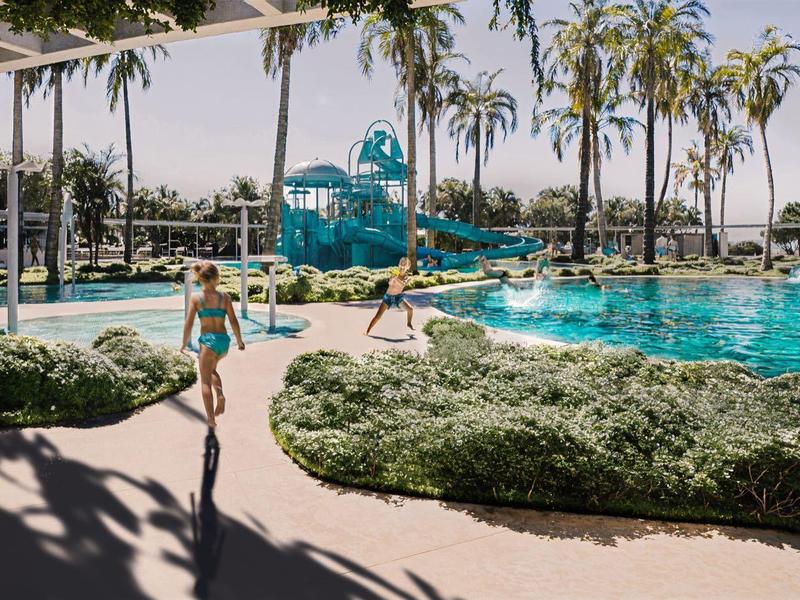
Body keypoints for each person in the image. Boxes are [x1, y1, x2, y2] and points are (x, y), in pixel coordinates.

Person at [181, 260, 245, 428]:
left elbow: (188, 323)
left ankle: (210, 418)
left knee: (204, 380)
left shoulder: (197, 299)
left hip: (208, 342)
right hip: (223, 342)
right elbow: (233, 321)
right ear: (216, 278)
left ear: (200, 279)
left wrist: (183, 344)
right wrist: (239, 341)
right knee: (211, 370)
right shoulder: (225, 298)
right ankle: (220, 394)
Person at [366, 257, 414, 335]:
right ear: (398, 265)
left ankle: (409, 323)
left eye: (405, 265)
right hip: (388, 297)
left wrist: (396, 279)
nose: (402, 266)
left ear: (408, 267)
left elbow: (402, 285)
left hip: (398, 297)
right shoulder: (394, 274)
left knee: (410, 309)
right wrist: (392, 279)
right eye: (401, 264)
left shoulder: (407, 278)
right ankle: (367, 331)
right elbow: (390, 284)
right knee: (378, 316)